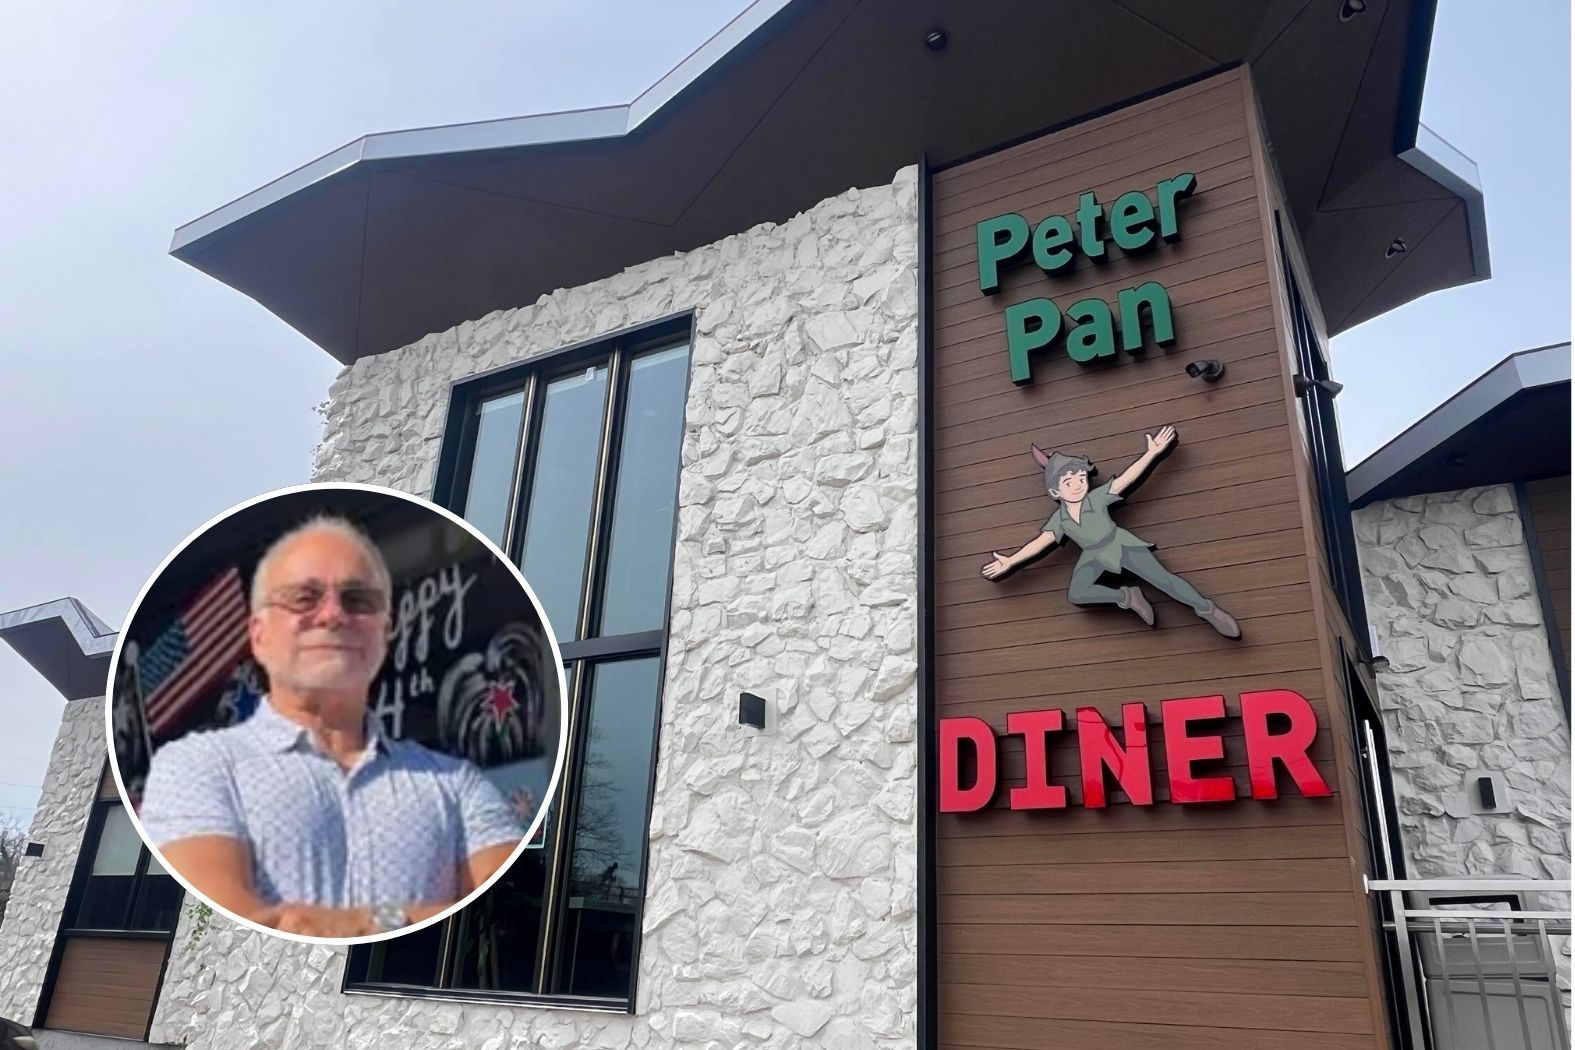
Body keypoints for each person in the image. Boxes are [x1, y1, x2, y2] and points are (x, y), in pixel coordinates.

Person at [139, 516, 523, 938]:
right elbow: (240, 920)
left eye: (358, 600)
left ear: (384, 633)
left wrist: (361, 920)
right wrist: (409, 915)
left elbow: (495, 914)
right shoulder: (195, 766)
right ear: (259, 635)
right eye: (304, 598)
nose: (334, 615)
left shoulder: (457, 785)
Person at [980, 425, 1241, 638]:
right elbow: (1040, 543)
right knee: (1077, 593)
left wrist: (1152, 454)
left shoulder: (1098, 498)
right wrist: (1011, 561)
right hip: (1093, 557)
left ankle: (1208, 610)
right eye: (1069, 481)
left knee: (1165, 581)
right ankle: (1127, 596)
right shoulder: (1059, 519)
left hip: (1120, 545)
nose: (1077, 485)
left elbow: (1127, 479)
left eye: (1081, 478)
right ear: (1055, 492)